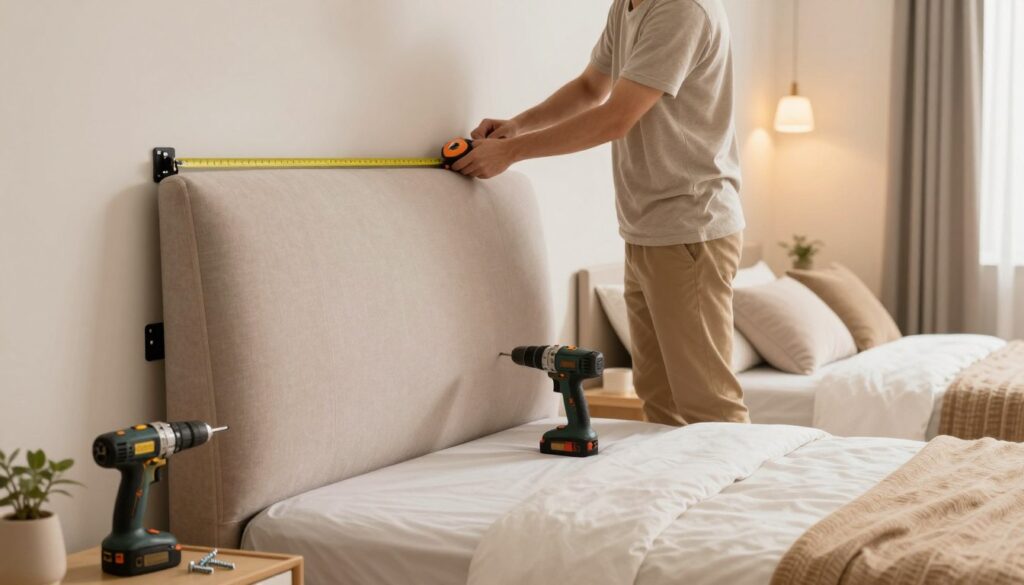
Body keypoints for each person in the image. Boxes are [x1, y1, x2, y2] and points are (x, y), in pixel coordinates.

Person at [454, 0, 748, 426]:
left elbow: (616, 118)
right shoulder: (628, 5)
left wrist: (511, 152)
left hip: (690, 227)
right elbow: (591, 88)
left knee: (709, 405)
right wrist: (517, 127)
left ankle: (742, 474)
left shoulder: (682, 10)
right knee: (659, 399)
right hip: (647, 228)